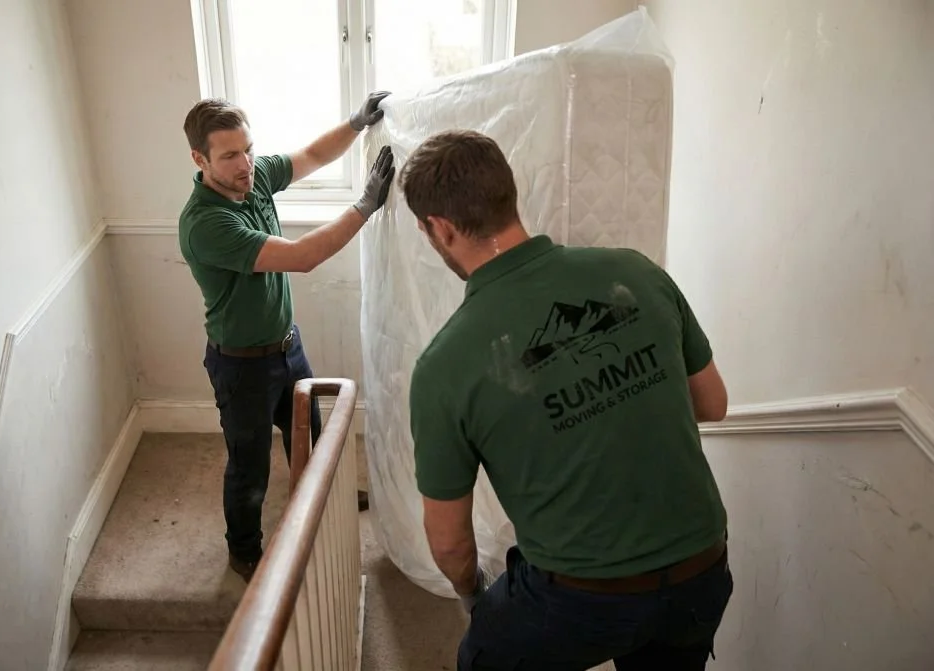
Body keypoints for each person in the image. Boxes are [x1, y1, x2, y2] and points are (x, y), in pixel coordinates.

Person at [400, 129, 733, 670]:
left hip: (579, 602)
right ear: (509, 194)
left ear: (438, 228)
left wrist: (473, 596)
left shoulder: (444, 365)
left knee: (482, 655)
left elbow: (450, 544)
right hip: (702, 571)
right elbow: (713, 403)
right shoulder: (637, 272)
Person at [178, 93, 395, 582]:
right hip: (242, 366)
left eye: (248, 149)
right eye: (230, 155)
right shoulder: (207, 223)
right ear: (200, 159)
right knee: (249, 467)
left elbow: (312, 156)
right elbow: (301, 256)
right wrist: (364, 205)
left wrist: (357, 123)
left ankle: (323, 498)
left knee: (311, 441)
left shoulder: (250, 180)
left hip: (286, 348)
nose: (245, 164)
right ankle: (245, 550)